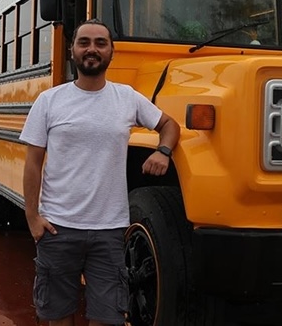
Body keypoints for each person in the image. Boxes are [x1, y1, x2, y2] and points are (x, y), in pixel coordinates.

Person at [20, 19, 180, 326]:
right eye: (84, 43)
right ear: (72, 51)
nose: (92, 49)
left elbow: (169, 125)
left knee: (108, 317)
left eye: (100, 43)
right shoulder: (50, 101)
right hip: (58, 227)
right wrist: (32, 218)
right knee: (57, 316)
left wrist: (163, 152)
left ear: (111, 52)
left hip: (108, 231)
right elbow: (32, 163)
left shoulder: (127, 98)